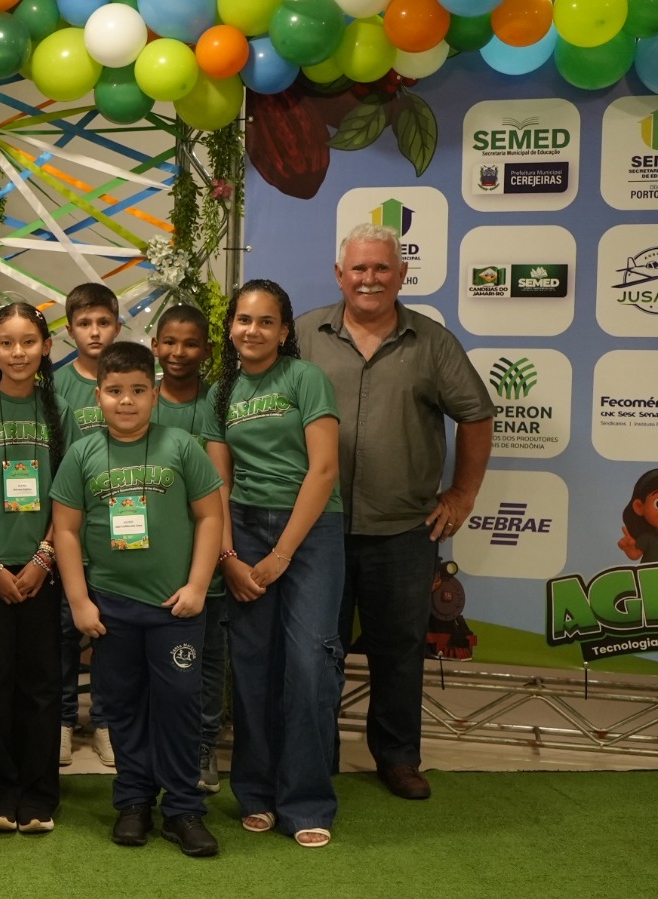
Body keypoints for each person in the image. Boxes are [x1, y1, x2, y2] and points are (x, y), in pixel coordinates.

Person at [296, 223, 494, 801]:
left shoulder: (432, 342)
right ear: (340, 274)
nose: (369, 278)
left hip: (403, 529)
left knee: (400, 650)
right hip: (317, 528)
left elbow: (477, 415)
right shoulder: (304, 334)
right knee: (315, 649)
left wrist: (462, 495)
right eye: (359, 268)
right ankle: (314, 757)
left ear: (402, 275)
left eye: (382, 268)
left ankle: (398, 758)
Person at [52, 341, 224, 858]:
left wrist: (197, 586)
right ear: (98, 395)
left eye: (137, 391)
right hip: (112, 608)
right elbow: (65, 532)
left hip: (176, 609)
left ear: (154, 394)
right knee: (122, 707)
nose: (126, 402)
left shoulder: (181, 446)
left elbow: (210, 518)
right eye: (114, 391)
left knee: (177, 706)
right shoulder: (82, 453)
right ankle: (132, 802)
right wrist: (80, 602)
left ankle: (183, 810)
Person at [204, 279, 345, 849]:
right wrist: (231, 557)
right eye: (243, 320)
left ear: (285, 332)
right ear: (231, 328)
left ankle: (306, 800)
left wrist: (282, 552)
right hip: (244, 530)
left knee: (309, 665)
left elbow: (325, 470)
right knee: (256, 668)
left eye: (266, 322)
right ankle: (257, 792)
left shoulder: (306, 379)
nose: (252, 330)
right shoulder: (222, 392)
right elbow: (219, 482)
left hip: (310, 532)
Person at [0, 303, 77, 834]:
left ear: (47, 347)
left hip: (44, 568)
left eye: (29, 342)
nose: (19, 352)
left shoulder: (61, 410)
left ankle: (38, 794)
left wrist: (46, 556)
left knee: (41, 683)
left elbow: (69, 497)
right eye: (7, 342)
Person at [149, 305, 228, 794]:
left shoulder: (218, 402)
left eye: (191, 343)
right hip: (151, 557)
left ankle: (203, 745)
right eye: (170, 342)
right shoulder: (141, 400)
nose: (179, 353)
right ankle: (154, 747)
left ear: (208, 351)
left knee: (209, 659)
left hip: (207, 554)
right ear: (155, 346)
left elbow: (221, 488)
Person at [51, 282, 122, 767]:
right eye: (84, 323)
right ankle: (60, 720)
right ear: (69, 329)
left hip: (123, 531)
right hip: (70, 526)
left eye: (103, 322)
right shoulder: (56, 385)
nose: (94, 332)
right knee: (62, 628)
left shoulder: (133, 377)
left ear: (117, 325)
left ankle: (105, 721)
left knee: (110, 632)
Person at [619, 469, 658, 562]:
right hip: (649, 576)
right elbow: (635, 555)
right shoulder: (648, 538)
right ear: (639, 507)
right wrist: (629, 549)